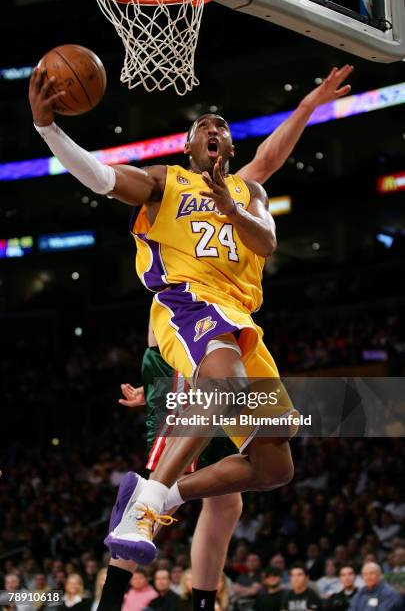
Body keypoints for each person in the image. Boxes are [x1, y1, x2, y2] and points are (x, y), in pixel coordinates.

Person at [29, 61, 353, 575]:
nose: (213, 128)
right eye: (203, 125)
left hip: (239, 316)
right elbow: (103, 178)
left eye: (221, 126)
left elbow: (266, 239)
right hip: (187, 300)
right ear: (187, 145)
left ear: (230, 149)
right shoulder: (167, 183)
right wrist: (49, 128)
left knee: (274, 466)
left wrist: (307, 109)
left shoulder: (251, 193)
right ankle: (147, 504)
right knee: (223, 382)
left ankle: (167, 495)